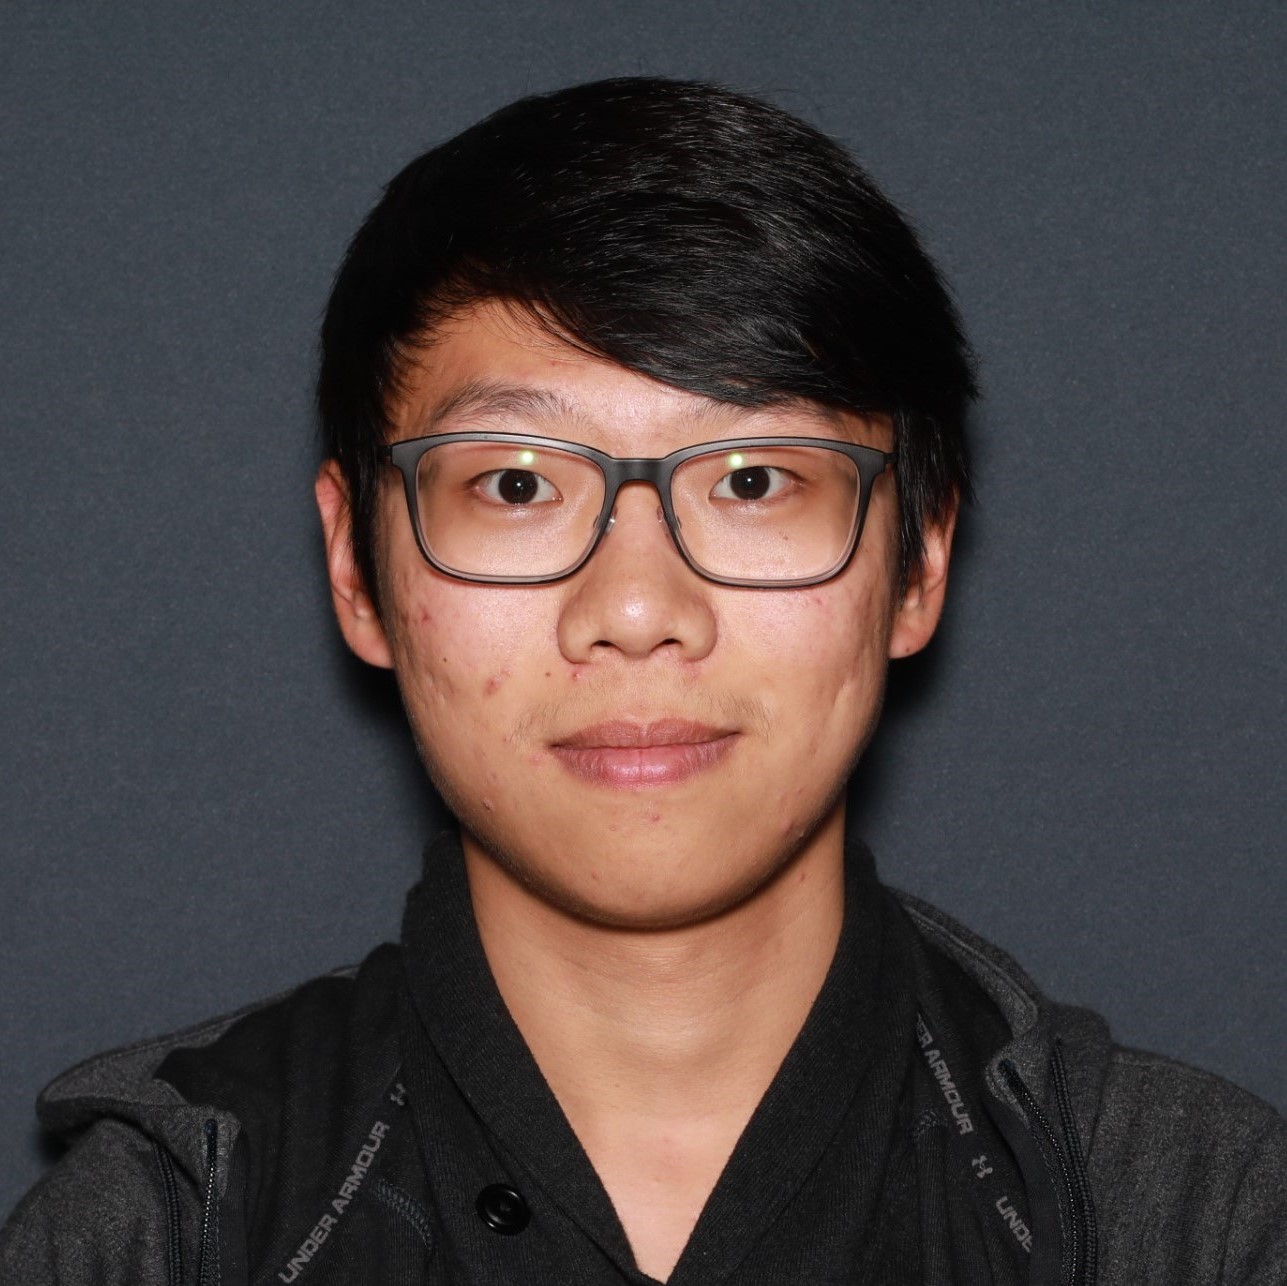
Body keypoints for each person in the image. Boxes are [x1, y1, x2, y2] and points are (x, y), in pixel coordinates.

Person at [2, 76, 1283, 1286]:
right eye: (515, 484)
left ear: (920, 558)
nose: (634, 609)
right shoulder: (168, 1230)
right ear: (355, 566)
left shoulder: (1185, 1220)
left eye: (752, 480)